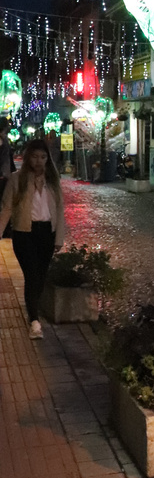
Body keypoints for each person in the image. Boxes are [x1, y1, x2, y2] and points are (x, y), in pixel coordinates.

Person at [0, 139, 65, 339]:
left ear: (48, 159)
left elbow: (60, 210)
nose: (39, 161)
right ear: (28, 157)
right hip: (24, 233)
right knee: (32, 275)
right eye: (35, 157)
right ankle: (34, 321)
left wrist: (59, 237)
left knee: (41, 276)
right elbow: (7, 207)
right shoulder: (16, 179)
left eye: (43, 157)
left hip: (47, 232)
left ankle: (34, 311)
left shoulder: (53, 180)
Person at [0, 117, 15, 230]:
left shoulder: (4, 139)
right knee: (5, 201)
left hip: (5, 174)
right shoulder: (2, 140)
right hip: (3, 175)